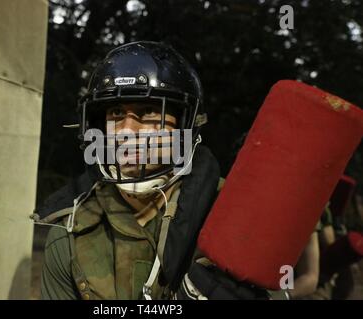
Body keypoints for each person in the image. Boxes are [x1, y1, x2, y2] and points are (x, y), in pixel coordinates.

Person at [33, 41, 269, 300]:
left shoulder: (232, 215)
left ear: (183, 126)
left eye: (148, 112)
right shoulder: (70, 232)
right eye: (116, 112)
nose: (126, 131)